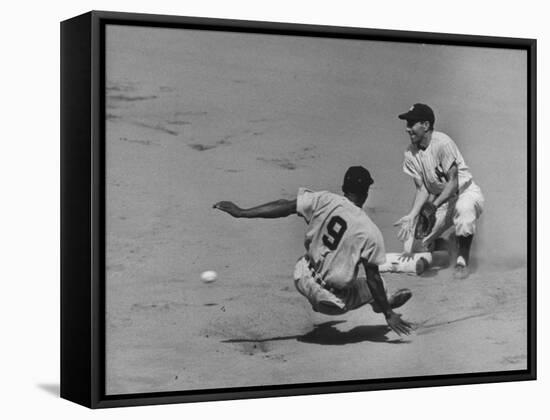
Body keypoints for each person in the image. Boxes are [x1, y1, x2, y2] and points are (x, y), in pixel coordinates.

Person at [214, 166, 413, 336]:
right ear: (366, 193)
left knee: (317, 257)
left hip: (301, 277)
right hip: (331, 301)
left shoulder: (324, 199)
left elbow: (284, 206)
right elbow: (373, 278)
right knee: (378, 285)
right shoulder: (370, 232)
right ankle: (382, 304)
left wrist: (242, 213)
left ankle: (379, 303)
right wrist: (389, 314)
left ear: (344, 188)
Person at [394, 103, 484, 279]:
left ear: (426, 125)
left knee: (464, 210)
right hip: (443, 202)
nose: (407, 129)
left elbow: (453, 182)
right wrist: (412, 215)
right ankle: (449, 248)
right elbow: (422, 189)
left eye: (411, 124)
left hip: (466, 193)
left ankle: (461, 261)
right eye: (407, 124)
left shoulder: (443, 143)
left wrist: (432, 206)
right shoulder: (410, 153)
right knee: (418, 247)